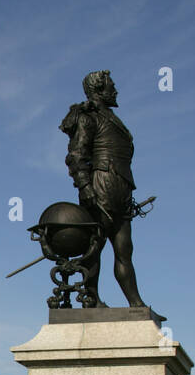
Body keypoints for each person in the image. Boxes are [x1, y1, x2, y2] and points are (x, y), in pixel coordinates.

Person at [60, 70, 151, 310]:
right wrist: (86, 186)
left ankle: (136, 303)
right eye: (112, 86)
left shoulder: (110, 118)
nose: (116, 90)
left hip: (121, 187)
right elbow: (76, 156)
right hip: (100, 186)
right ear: (99, 89)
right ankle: (92, 300)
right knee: (95, 247)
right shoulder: (87, 116)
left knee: (124, 250)